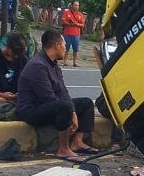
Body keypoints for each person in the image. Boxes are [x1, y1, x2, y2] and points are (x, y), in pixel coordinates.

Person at [16, 29, 98, 160]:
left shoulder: (54, 65)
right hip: (31, 110)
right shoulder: (37, 65)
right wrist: (70, 111)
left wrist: (73, 111)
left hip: (48, 105)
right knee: (63, 107)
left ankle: (77, 142)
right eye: (64, 46)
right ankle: (63, 149)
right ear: (57, 45)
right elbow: (47, 97)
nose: (65, 49)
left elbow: (62, 91)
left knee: (86, 103)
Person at [61, 0, 86, 67]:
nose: (77, 6)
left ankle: (75, 62)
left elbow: (82, 25)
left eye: (78, 5)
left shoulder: (80, 14)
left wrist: (76, 24)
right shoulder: (66, 12)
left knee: (75, 49)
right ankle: (64, 61)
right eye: (75, 5)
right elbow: (63, 21)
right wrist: (70, 23)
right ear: (72, 5)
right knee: (66, 48)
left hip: (76, 34)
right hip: (67, 33)